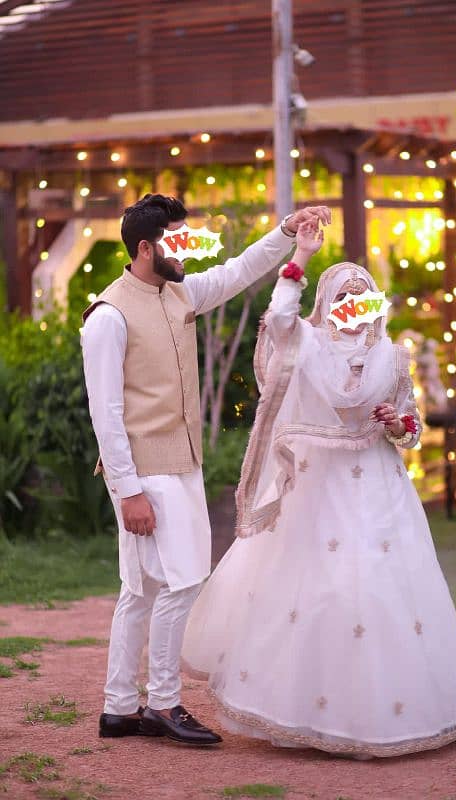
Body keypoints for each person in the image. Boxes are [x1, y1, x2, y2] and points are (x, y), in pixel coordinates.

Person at [181, 221, 456, 758]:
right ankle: (305, 714)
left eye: (359, 295)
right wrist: (300, 256)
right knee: (317, 593)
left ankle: (390, 716)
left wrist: (397, 424)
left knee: (379, 590)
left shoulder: (392, 356)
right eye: (341, 296)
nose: (351, 304)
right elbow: (278, 317)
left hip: (378, 488)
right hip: (315, 489)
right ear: (326, 303)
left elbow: (412, 429)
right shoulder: (306, 343)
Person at [81, 193, 331, 746]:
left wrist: (287, 231)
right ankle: (164, 704)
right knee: (183, 580)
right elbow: (106, 413)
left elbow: (239, 271)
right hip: (147, 475)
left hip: (181, 464)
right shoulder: (108, 317)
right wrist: (128, 493)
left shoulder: (181, 293)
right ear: (146, 248)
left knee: (142, 589)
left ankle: (120, 708)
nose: (188, 250)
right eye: (178, 240)